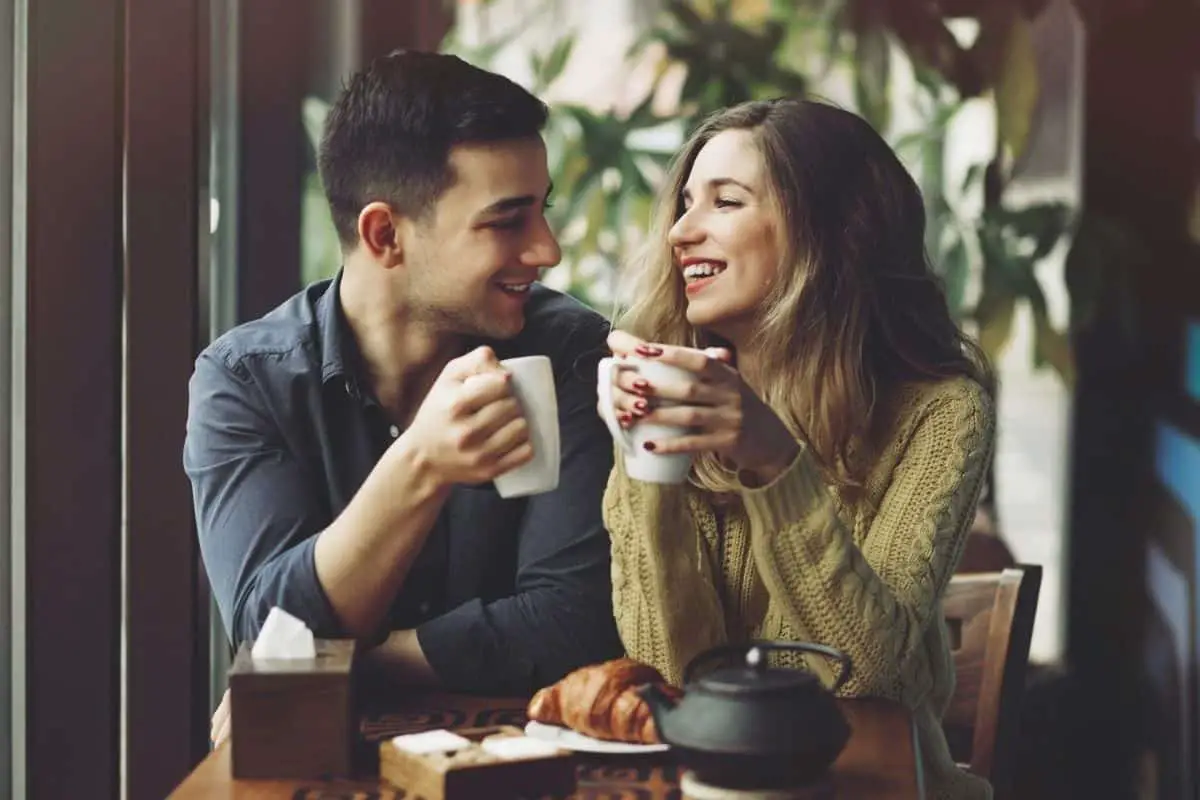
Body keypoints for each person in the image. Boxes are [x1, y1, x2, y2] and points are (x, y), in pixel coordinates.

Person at [185, 51, 622, 743]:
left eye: (543, 211)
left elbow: (574, 623)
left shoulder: (569, 352)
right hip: (319, 764)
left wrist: (354, 661)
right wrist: (421, 463)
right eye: (508, 220)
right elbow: (271, 625)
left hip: (533, 762)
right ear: (385, 235)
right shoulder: (245, 381)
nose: (548, 249)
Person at [600, 97, 996, 799]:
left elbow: (866, 673)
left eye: (725, 202)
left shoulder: (940, 412)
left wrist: (776, 462)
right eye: (685, 204)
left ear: (834, 228)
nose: (680, 233)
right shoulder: (676, 393)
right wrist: (646, 463)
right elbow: (669, 675)